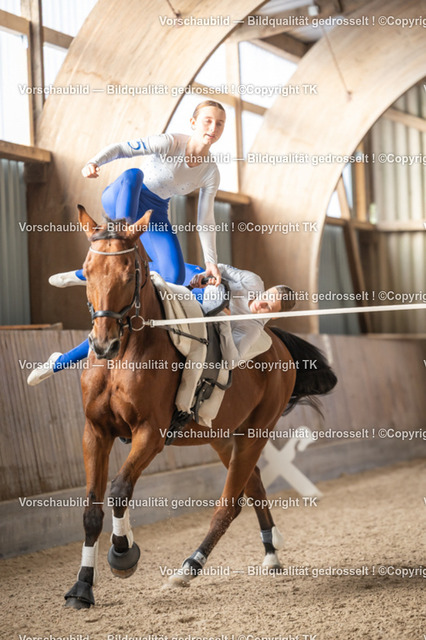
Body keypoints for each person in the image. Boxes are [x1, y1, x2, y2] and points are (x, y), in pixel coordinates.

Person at [27, 100, 226, 386]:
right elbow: (122, 148)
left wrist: (211, 262)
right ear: (193, 123)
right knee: (135, 174)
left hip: (154, 213)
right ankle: (89, 268)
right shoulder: (170, 143)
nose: (213, 127)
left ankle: (60, 360)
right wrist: (94, 162)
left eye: (219, 123)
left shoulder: (210, 172)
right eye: (207, 120)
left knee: (175, 275)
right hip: (124, 195)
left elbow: (205, 218)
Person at [191, 264, 295, 368]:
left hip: (204, 317)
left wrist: (225, 322)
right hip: (200, 285)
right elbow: (221, 268)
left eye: (268, 307)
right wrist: (203, 276)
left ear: (274, 316)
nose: (260, 303)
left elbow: (230, 363)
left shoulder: (252, 329)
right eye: (266, 295)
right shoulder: (254, 281)